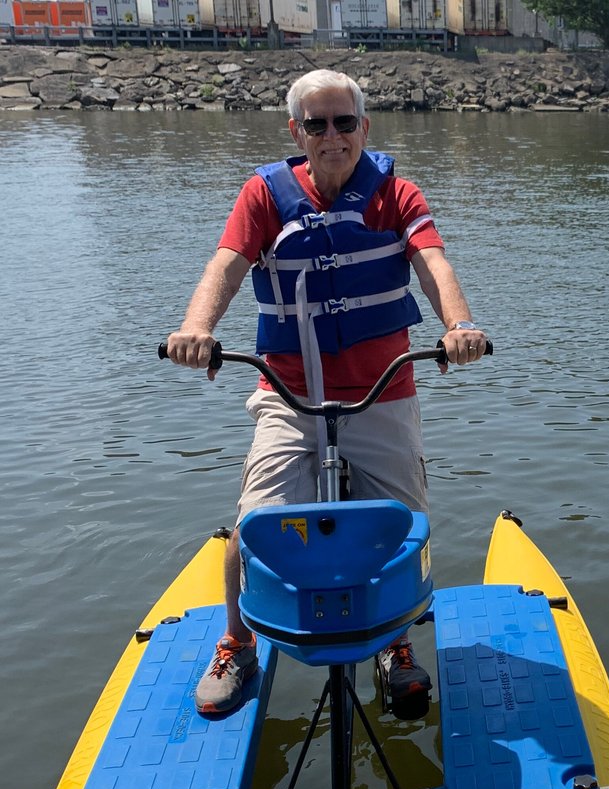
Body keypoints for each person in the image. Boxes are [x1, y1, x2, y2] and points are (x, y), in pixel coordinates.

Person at [166, 69, 486, 717]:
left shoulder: (395, 194)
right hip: (289, 394)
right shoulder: (263, 195)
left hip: (382, 392)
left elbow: (433, 263)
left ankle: (395, 644)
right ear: (297, 132)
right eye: (318, 124)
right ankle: (238, 640)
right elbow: (225, 266)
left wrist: (460, 326)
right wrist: (196, 329)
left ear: (365, 127)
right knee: (254, 522)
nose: (333, 136)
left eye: (345, 122)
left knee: (405, 527)